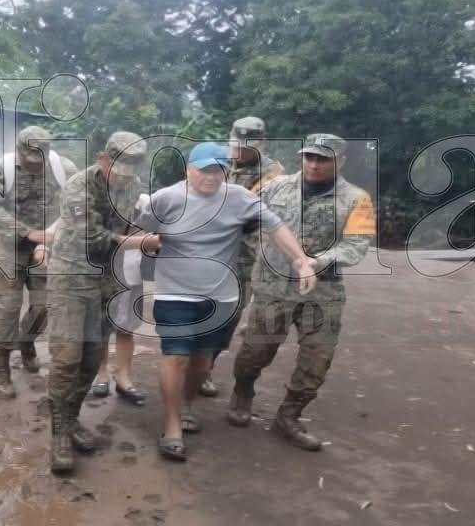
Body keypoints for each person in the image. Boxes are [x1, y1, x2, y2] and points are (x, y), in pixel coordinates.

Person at [136, 142, 317, 462]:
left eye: (217, 169)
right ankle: (172, 425)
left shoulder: (240, 198)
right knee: (176, 356)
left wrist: (300, 260)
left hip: (220, 296)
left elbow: (276, 227)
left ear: (227, 171)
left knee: (202, 363)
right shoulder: (165, 199)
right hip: (174, 292)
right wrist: (152, 241)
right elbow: (133, 234)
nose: (210, 176)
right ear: (188, 169)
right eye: (203, 169)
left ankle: (187, 403)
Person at [228, 134, 375, 451]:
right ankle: (243, 393)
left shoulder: (356, 198)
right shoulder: (275, 186)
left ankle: (289, 416)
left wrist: (318, 261)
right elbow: (243, 222)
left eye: (323, 159)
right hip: (272, 286)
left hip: (323, 291)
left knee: (317, 360)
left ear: (341, 161)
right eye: (309, 157)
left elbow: (356, 245)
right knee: (255, 351)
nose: (313, 164)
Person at [47, 131, 154, 474]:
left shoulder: (133, 186)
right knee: (66, 359)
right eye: (117, 167)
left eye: (130, 169)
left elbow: (123, 226)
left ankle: (72, 418)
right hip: (71, 279)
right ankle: (60, 434)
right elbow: (91, 238)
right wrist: (142, 242)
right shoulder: (79, 187)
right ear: (102, 158)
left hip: (105, 281)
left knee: (92, 358)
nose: (122, 176)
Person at [0, 125, 77, 398]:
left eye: (38, 160)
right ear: (19, 150)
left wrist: (50, 237)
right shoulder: (1, 170)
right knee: (8, 308)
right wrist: (25, 232)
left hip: (46, 249)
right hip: (9, 250)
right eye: (28, 159)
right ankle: (0, 369)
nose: (33, 164)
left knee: (43, 306)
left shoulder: (64, 170)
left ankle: (27, 342)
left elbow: (76, 205)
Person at [198, 117, 284, 398]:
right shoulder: (217, 158)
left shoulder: (274, 174)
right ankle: (192, 367)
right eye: (236, 144)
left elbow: (262, 216)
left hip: (242, 257)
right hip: (206, 251)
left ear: (260, 145)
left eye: (246, 147)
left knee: (227, 317)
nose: (239, 151)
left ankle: (205, 369)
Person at [89, 190, 151, 407]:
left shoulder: (144, 202)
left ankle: (124, 376)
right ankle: (102, 373)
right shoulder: (94, 199)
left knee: (126, 328)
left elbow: (155, 232)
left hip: (130, 274)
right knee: (100, 327)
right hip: (101, 273)